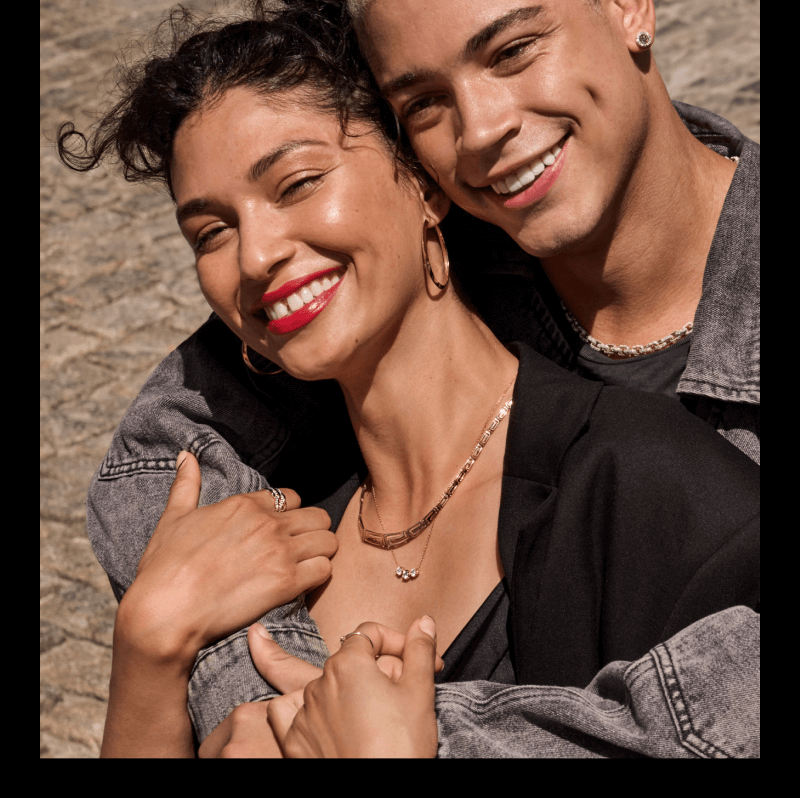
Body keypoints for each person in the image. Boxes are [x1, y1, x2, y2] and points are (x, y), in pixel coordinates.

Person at [58, 0, 759, 757]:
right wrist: (155, 644)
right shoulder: (282, 482)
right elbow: (161, 447)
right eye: (424, 102)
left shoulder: (654, 482)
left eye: (515, 49)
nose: (481, 129)